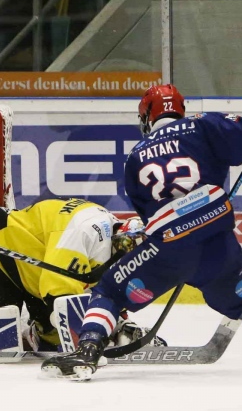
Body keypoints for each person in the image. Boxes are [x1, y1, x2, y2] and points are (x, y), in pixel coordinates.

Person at [41, 84, 242, 380]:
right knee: (233, 299)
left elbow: (149, 216)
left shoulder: (135, 156)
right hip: (218, 240)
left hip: (170, 246)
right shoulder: (205, 124)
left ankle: (89, 350)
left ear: (147, 116)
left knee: (110, 290)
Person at [0, 198, 160, 351]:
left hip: (37, 268)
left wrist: (115, 319)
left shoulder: (115, 237)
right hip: (1, 248)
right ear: (121, 234)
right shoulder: (87, 231)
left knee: (52, 342)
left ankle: (36, 334)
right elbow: (59, 293)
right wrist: (93, 335)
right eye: (127, 246)